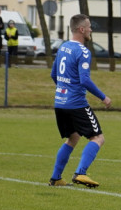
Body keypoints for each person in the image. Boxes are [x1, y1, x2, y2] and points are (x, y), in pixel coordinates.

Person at [48, 14, 112, 187]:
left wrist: (63, 90)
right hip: (76, 103)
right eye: (89, 26)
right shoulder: (83, 51)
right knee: (98, 138)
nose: (91, 29)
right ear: (82, 29)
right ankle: (80, 173)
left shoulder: (63, 47)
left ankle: (56, 178)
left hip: (60, 103)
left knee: (73, 138)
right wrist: (103, 97)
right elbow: (84, 80)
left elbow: (54, 74)